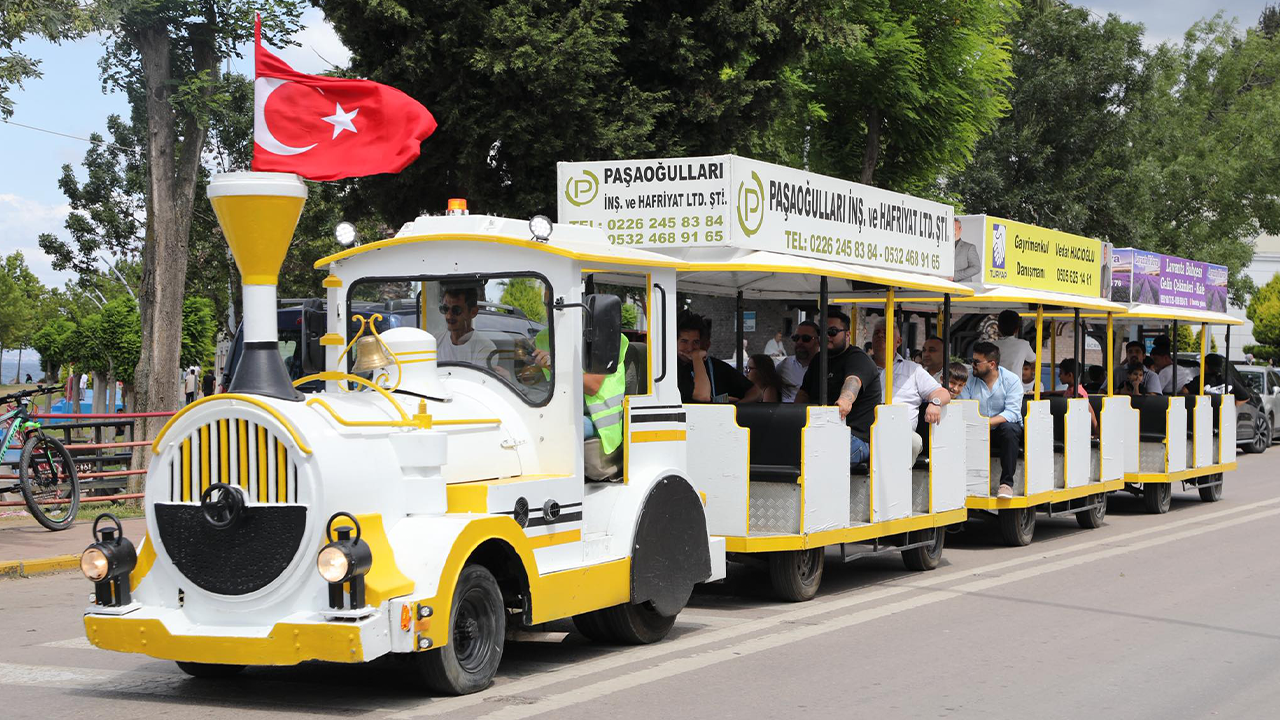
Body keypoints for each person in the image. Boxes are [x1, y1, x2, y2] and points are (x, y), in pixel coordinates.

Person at [795, 308, 883, 466]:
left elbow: (853, 381)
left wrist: (845, 399)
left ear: (847, 334)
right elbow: (803, 394)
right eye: (823, 331)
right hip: (819, 430)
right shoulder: (818, 360)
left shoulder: (858, 358)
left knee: (821, 456)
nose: (827, 336)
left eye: (833, 331)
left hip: (855, 437)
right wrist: (793, 417)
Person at [871, 319, 950, 465]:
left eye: (886, 333)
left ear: (899, 341)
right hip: (868, 430)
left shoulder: (913, 369)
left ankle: (898, 483)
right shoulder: (862, 367)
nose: (881, 336)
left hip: (902, 433)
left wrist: (935, 403)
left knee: (914, 441)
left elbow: (942, 392)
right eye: (877, 333)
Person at [959, 342, 1024, 498]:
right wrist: (979, 424)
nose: (972, 365)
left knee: (1010, 428)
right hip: (975, 429)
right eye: (971, 361)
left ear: (992, 364)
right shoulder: (968, 379)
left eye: (976, 362)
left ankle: (1006, 484)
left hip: (1001, 432)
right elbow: (965, 406)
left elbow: (1012, 412)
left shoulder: (1012, 380)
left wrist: (986, 423)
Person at [676, 312, 754, 403]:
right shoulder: (670, 369)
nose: (690, 348)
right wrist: (697, 357)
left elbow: (755, 391)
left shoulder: (714, 365)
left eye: (695, 342)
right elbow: (703, 396)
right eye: (684, 341)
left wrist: (736, 407)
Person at [435, 286, 498, 365]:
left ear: (473, 312)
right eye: (445, 309)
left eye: (456, 310)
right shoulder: (435, 342)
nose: (448, 316)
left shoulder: (485, 347)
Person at [777, 321, 818, 402]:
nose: (799, 342)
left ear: (819, 341)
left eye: (806, 338)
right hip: (788, 413)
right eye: (796, 338)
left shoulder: (827, 367)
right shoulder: (784, 366)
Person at [992, 309, 1038, 378]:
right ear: (1017, 329)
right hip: (1015, 386)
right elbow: (1035, 361)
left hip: (996, 385)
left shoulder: (992, 346)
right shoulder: (1023, 345)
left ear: (998, 328)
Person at [1058, 358, 1099, 434]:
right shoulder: (1071, 389)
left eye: (1061, 373)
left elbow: (1090, 412)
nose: (1058, 376)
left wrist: (1096, 432)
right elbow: (1063, 392)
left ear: (1070, 375)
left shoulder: (1079, 393)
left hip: (1078, 429)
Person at [953, 217, 981, 283]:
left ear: (960, 229)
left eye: (954, 229)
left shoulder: (969, 247)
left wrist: (955, 276)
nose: (952, 231)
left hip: (962, 288)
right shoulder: (942, 246)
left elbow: (976, 268)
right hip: (942, 286)